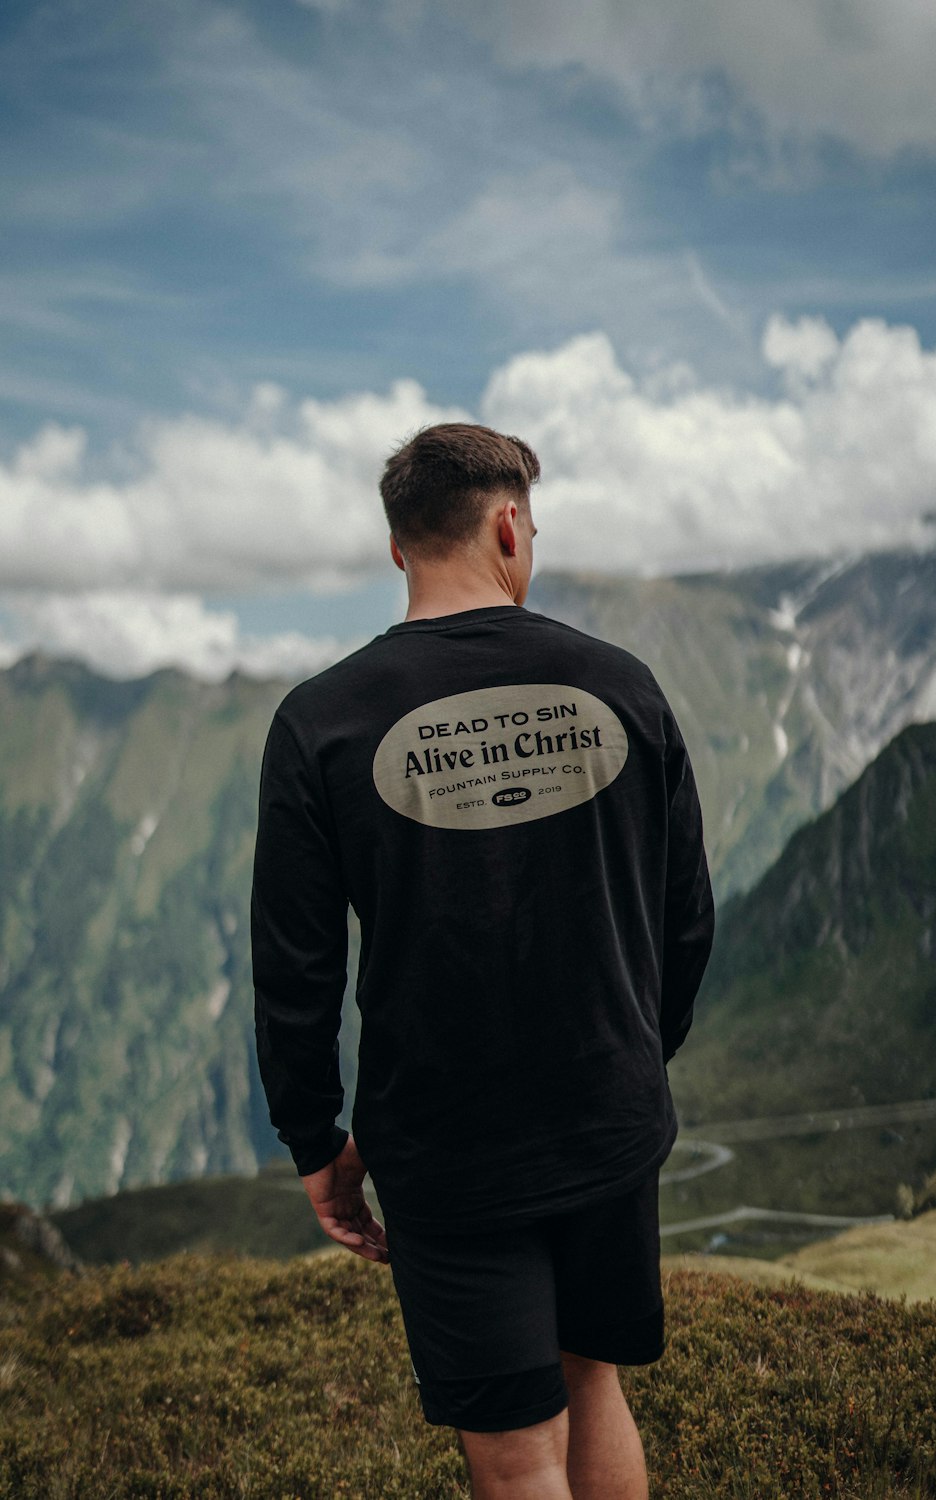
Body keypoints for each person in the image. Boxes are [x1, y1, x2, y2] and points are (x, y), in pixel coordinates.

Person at [251, 422, 714, 1500]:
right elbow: (684, 919)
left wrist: (317, 1139)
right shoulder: (622, 686)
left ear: (398, 547)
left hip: (448, 1145)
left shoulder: (320, 722)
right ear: (508, 526)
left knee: (513, 1458)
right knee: (593, 1385)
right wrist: (634, 1059)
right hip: (607, 1115)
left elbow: (295, 967)